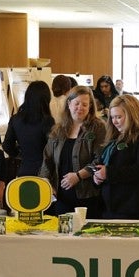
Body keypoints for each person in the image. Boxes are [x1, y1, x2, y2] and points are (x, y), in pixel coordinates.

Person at [40, 86, 106, 218]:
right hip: (61, 197)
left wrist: (78, 176)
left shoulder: (98, 127)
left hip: (88, 196)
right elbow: (47, 159)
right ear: (69, 104)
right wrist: (46, 181)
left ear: (90, 107)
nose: (80, 108)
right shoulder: (58, 129)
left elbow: (100, 159)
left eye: (85, 104)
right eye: (76, 103)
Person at [93, 95, 139, 220]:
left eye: (119, 117)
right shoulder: (115, 138)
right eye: (112, 117)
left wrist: (108, 173)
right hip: (111, 207)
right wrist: (98, 177)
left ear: (132, 115)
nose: (115, 121)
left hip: (136, 208)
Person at [3, 81, 55, 177]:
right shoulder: (47, 120)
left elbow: (7, 145)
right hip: (44, 172)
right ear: (46, 99)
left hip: (23, 169)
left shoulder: (15, 119)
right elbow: (53, 148)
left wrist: (19, 154)